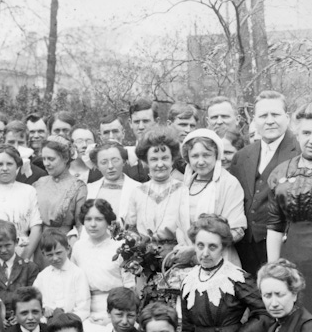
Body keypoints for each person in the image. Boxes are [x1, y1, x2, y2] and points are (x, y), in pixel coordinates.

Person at [181, 214, 266, 332]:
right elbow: (187, 328)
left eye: (212, 247)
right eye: (200, 246)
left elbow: (264, 310)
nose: (205, 253)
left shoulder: (235, 278)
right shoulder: (189, 280)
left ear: (224, 248)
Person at [230, 90, 300, 276]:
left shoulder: (301, 153)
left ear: (287, 117)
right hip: (246, 249)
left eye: (275, 114)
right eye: (263, 116)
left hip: (286, 246)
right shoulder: (242, 156)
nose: (269, 120)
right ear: (255, 120)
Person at [266, 101, 312, 318]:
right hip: (293, 257)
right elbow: (274, 224)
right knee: (295, 316)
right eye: (306, 132)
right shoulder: (281, 172)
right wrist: (274, 270)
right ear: (297, 135)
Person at [71, 199, 134, 332]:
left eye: (99, 219)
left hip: (117, 312)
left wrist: (113, 318)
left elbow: (130, 287)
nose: (93, 224)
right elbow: (73, 283)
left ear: (108, 221)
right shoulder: (79, 248)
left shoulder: (121, 247)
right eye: (88, 219)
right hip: (85, 311)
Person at [181, 129, 246, 266]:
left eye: (206, 155)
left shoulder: (228, 183)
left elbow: (237, 230)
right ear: (188, 158)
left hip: (220, 260)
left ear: (216, 155)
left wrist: (197, 249)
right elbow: (180, 226)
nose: (200, 161)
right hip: (188, 262)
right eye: (195, 156)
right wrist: (183, 247)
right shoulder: (186, 185)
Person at [126, 126, 188, 246]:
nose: (160, 164)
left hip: (174, 254)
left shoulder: (183, 190)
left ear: (172, 160)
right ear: (146, 162)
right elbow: (130, 227)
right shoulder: (138, 192)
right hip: (143, 254)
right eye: (154, 159)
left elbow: (186, 226)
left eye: (165, 158)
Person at [0, 220, 40, 318]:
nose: (3, 250)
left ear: (16, 242)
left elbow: (33, 299)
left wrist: (20, 315)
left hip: (23, 319)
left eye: (7, 245)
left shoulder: (30, 268)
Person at [33, 136, 87, 244]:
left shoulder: (78, 187)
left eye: (51, 159)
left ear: (65, 158)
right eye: (44, 159)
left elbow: (80, 226)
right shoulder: (39, 183)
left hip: (62, 246)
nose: (46, 163)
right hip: (36, 244)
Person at [33, 230, 90, 320]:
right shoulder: (42, 276)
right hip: (47, 322)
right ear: (43, 254)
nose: (55, 258)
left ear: (68, 249)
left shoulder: (77, 274)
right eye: (50, 255)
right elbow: (35, 302)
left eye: (59, 253)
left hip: (73, 322)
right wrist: (44, 309)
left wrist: (69, 321)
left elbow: (83, 307)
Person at [86, 141, 138, 222]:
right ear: (97, 166)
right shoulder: (88, 189)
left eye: (115, 160)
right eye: (104, 162)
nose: (110, 166)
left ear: (124, 161)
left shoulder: (138, 189)